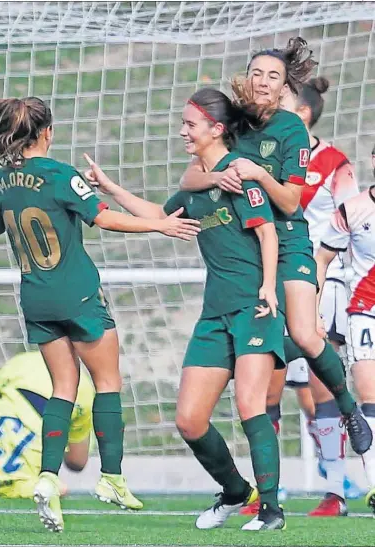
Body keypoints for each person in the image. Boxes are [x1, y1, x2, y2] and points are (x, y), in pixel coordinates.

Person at [0, 97, 200, 533]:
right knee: (108, 382)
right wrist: (160, 224)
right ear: (47, 133)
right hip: (76, 293)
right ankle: (112, 477)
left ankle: (46, 477)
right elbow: (105, 219)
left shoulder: (1, 182)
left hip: (36, 298)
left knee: (64, 387)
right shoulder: (61, 175)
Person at [84, 87, 288, 531]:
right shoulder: (197, 184)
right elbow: (159, 214)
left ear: (217, 129)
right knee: (190, 420)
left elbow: (269, 235)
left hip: (255, 305)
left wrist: (270, 288)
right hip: (215, 313)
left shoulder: (240, 176)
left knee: (250, 404)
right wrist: (109, 187)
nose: (182, 131)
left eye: (190, 124)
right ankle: (236, 491)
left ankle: (272, 510)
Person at [179, 38, 372, 465]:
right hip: (250, 252)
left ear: (285, 86)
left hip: (289, 245)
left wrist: (255, 175)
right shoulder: (232, 122)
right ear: (247, 78)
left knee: (305, 334)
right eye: (257, 73)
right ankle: (264, 495)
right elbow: (189, 179)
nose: (263, 82)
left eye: (273, 76)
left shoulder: (290, 130)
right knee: (263, 379)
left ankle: (348, 410)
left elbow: (288, 202)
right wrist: (216, 179)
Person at [242, 76, 363, 518]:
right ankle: (266, 489)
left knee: (319, 388)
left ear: (302, 113)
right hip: (269, 279)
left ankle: (336, 490)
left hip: (319, 281)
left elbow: (356, 221)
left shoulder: (333, 162)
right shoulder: (263, 154)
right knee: (267, 383)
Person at [316, 158, 375, 517]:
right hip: (365, 311)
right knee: (369, 399)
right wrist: (312, 308)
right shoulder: (352, 209)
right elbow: (321, 259)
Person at [0, 352, 93, 499]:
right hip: (14, 482)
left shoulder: (23, 362)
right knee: (58, 488)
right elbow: (76, 462)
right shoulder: (85, 392)